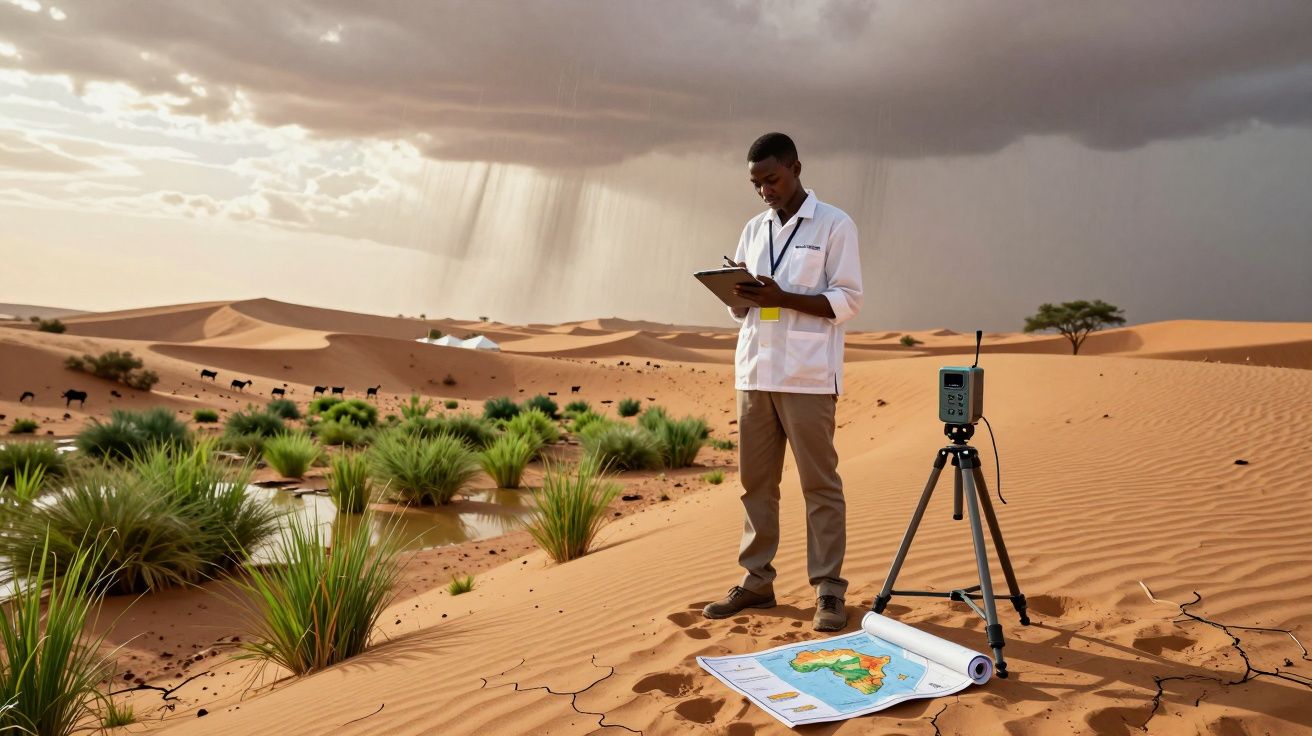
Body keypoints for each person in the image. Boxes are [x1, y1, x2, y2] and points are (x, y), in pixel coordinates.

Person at [702, 132, 863, 632]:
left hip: (808, 376)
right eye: (756, 183)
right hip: (755, 373)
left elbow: (847, 301)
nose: (764, 190)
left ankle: (829, 590)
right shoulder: (753, 228)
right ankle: (756, 580)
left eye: (771, 179)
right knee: (756, 484)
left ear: (796, 167)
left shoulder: (835, 224)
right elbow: (742, 309)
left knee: (820, 484)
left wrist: (782, 295)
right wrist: (738, 291)